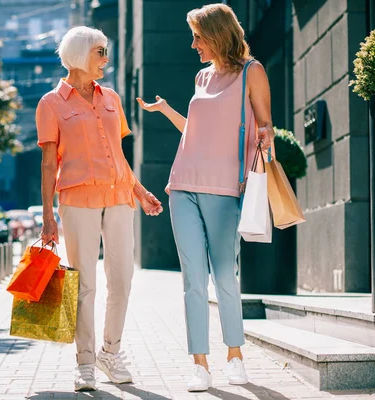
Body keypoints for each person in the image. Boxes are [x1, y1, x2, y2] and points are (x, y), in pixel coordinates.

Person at [137, 3, 275, 393]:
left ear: (217, 34)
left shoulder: (252, 72)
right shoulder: (201, 76)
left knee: (225, 278)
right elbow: (194, 133)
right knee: (192, 281)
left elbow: (266, 129)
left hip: (225, 190)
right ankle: (199, 364)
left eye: (198, 36)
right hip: (182, 186)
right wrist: (165, 110)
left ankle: (235, 356)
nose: (193, 43)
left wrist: (264, 149)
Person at [37, 26, 163, 392]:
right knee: (85, 284)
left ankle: (111, 351)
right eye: (100, 52)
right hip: (77, 200)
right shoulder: (51, 103)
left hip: (119, 196)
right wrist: (48, 216)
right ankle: (86, 362)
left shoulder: (112, 99)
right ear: (79, 55)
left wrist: (139, 190)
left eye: (106, 52)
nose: (106, 59)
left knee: (122, 278)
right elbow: (48, 163)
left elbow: (117, 153)